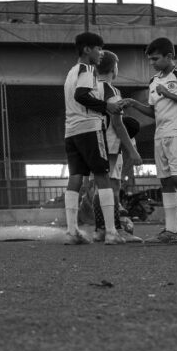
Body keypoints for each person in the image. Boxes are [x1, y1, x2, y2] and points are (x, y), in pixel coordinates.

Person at [121, 37, 177, 244]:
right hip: (161, 134)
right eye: (150, 60)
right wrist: (133, 103)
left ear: (170, 56)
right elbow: (153, 111)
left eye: (156, 59)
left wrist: (168, 94)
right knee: (165, 181)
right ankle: (171, 230)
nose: (153, 63)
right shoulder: (154, 81)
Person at [62, 32, 124, 245]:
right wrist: (107, 106)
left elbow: (75, 96)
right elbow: (81, 95)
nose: (100, 53)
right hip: (89, 128)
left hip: (71, 131)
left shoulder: (71, 72)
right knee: (103, 176)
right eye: (98, 48)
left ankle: (72, 231)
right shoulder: (87, 69)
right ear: (87, 49)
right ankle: (111, 232)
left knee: (75, 179)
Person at [91, 50, 144, 243]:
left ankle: (99, 229)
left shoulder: (89, 89)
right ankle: (116, 229)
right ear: (114, 68)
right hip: (110, 144)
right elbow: (117, 123)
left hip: (94, 142)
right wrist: (132, 150)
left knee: (101, 186)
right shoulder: (111, 91)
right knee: (112, 186)